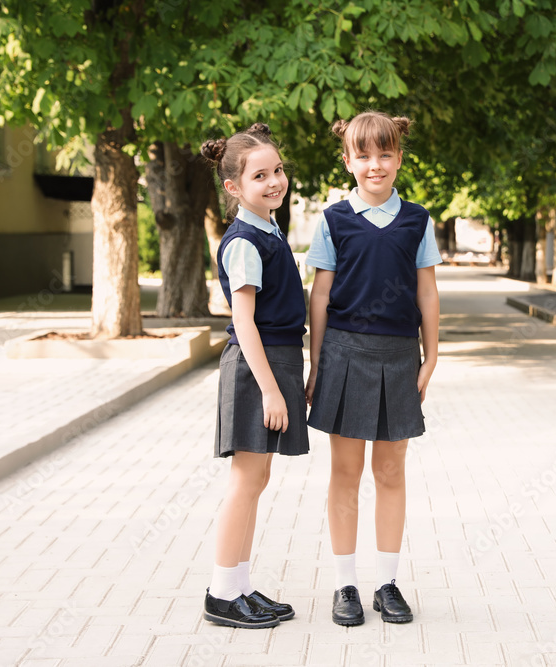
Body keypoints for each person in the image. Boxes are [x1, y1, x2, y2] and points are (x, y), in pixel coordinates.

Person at [306, 111, 442, 626]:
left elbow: (427, 290)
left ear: (399, 158)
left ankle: (386, 583)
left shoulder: (418, 220)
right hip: (342, 354)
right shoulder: (333, 220)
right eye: (364, 155)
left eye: (385, 154)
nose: (375, 165)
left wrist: (433, 356)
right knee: (345, 472)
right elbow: (320, 295)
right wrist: (315, 365)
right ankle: (345, 584)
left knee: (390, 471)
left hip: (399, 355)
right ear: (348, 160)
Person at [200, 123, 309, 629]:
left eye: (278, 170)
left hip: (277, 362)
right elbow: (243, 322)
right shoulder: (243, 240)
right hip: (254, 369)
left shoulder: (268, 229)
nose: (274, 182)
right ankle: (222, 593)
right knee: (245, 481)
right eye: (260, 175)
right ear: (233, 188)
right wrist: (270, 390)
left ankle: (241, 585)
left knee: (258, 477)